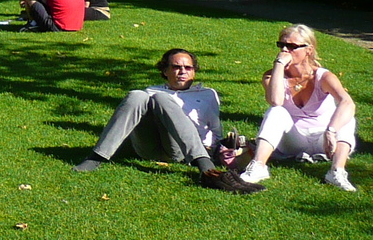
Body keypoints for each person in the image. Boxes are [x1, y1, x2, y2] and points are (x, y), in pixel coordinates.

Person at [73, 49, 257, 189]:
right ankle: (97, 156)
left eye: (188, 68)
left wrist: (221, 147)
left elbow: (215, 128)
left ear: (194, 72)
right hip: (147, 146)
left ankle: (204, 164)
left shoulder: (208, 94)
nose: (182, 71)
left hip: (180, 150)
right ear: (165, 71)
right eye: (176, 67)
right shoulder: (151, 91)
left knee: (162, 98)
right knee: (137, 95)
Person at [240, 25, 358, 191]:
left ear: (308, 50)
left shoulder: (322, 76)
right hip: (293, 140)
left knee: (347, 116)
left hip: (323, 140)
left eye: (292, 46)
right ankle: (258, 166)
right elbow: (275, 101)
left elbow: (347, 102)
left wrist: (331, 131)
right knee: (276, 112)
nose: (285, 50)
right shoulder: (271, 76)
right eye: (281, 45)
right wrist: (279, 65)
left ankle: (337, 171)